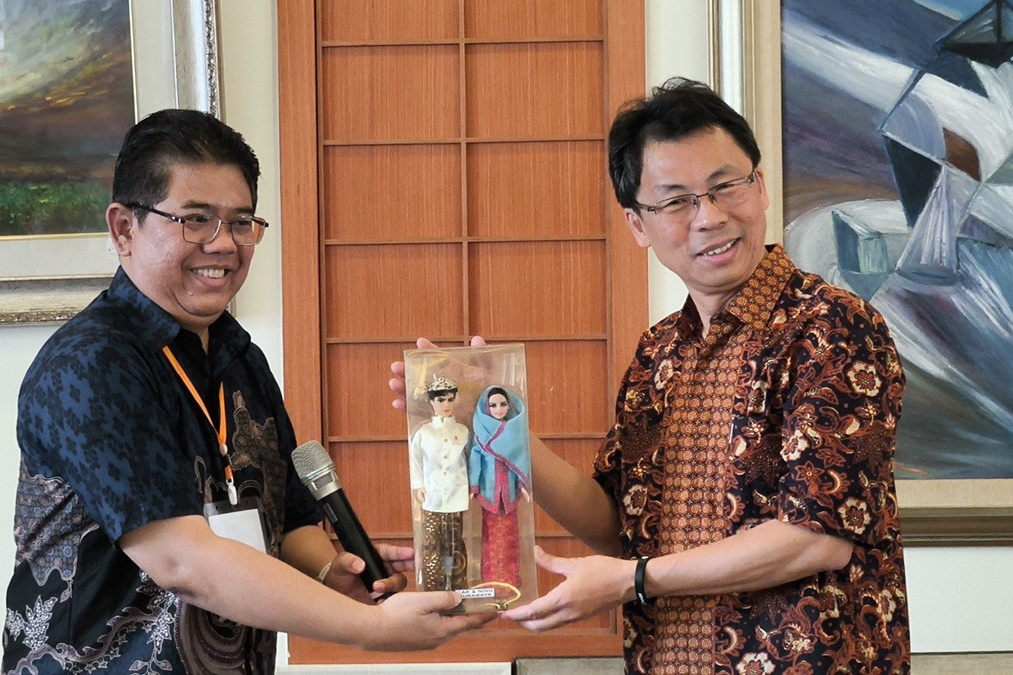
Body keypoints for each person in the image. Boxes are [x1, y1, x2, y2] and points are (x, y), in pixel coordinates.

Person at [390, 78, 910, 673]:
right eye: (676, 201)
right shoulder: (657, 353)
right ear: (638, 225)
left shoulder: (835, 326)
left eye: (725, 186)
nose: (709, 217)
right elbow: (621, 527)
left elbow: (816, 537)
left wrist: (632, 579)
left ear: (761, 187)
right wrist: (502, 432)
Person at [3, 109, 491, 673]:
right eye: (195, 220)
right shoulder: (91, 364)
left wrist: (331, 573)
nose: (223, 245)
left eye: (240, 222)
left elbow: (290, 520)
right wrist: (375, 631)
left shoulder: (240, 358)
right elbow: (184, 562)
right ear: (123, 229)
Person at [408, 376, 471, 591]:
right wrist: (419, 485)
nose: (446, 404)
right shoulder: (424, 432)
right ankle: (432, 588)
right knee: (432, 543)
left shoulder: (462, 431)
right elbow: (415, 460)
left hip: (456, 494)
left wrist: (472, 486)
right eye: (441, 400)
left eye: (450, 400)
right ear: (431, 401)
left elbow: (470, 460)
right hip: (432, 495)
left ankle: (458, 586)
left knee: (455, 542)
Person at [469, 386, 531, 588]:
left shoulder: (514, 432)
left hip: (510, 492)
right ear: (486, 408)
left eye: (503, 404)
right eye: (493, 405)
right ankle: (492, 580)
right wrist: (474, 485)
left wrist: (522, 484)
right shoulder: (482, 432)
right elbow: (476, 458)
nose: (498, 409)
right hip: (490, 492)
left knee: (510, 537)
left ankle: (510, 580)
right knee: (490, 536)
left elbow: (520, 459)